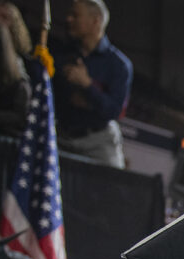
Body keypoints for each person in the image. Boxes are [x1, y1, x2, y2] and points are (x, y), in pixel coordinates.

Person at [51, 0, 132, 168]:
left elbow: (115, 110)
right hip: (62, 137)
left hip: (99, 143)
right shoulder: (62, 54)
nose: (68, 19)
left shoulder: (118, 65)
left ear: (96, 20)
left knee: (111, 187)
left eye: (76, 15)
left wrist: (87, 85)